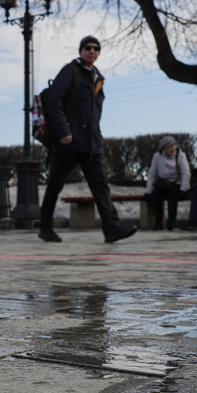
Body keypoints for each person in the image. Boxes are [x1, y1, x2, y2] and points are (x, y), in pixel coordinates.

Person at [37, 36, 137, 244]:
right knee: (55, 185)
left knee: (101, 186)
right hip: (68, 141)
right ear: (81, 50)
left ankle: (111, 228)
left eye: (96, 48)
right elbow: (54, 102)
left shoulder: (98, 78)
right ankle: (45, 228)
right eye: (88, 47)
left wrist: (98, 136)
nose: (92, 51)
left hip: (91, 143)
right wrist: (63, 131)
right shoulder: (70, 71)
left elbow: (94, 114)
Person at [143, 136, 191, 230]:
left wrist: (184, 189)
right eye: (170, 147)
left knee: (172, 196)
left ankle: (171, 220)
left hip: (176, 184)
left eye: (174, 146)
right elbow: (152, 174)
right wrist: (148, 191)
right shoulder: (157, 157)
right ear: (164, 149)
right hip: (163, 183)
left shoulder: (181, 155)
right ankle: (159, 221)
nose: (173, 148)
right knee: (155, 195)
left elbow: (185, 173)